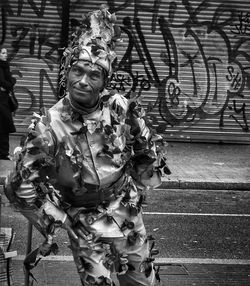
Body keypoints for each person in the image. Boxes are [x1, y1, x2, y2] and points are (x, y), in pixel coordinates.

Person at [4, 5, 169, 286]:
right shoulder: (48, 126)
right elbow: (18, 187)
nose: (82, 80)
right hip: (82, 220)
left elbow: (145, 148)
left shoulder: (121, 108)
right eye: (77, 71)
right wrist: (62, 219)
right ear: (67, 73)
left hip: (125, 211)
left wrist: (137, 187)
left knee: (141, 281)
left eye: (93, 75)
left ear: (104, 81)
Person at [0, 45, 16, 160]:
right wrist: (10, 83)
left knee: (3, 128)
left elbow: (8, 83)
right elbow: (5, 83)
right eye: (3, 53)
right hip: (1, 102)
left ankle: (4, 153)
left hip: (4, 100)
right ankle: (3, 153)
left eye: (6, 53)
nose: (6, 55)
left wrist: (10, 82)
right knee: (4, 127)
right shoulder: (0, 67)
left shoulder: (5, 66)